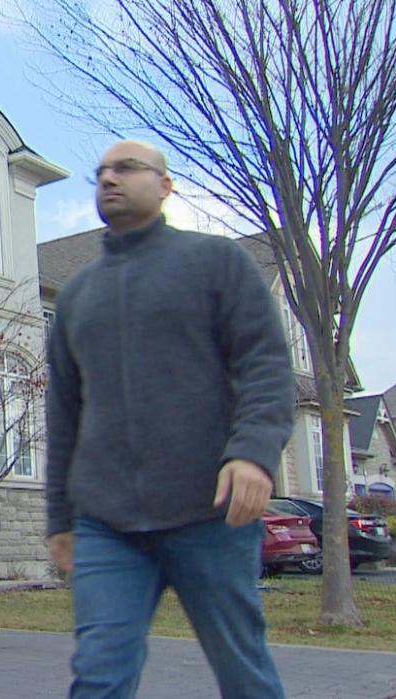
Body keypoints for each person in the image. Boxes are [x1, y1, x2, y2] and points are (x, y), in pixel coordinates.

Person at [44, 140, 295, 698]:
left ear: (164, 185)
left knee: (242, 669)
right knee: (99, 675)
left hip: (209, 513)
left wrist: (254, 452)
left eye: (126, 167)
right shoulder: (77, 296)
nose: (108, 178)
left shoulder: (217, 262)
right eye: (101, 171)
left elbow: (266, 364)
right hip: (106, 525)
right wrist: (59, 518)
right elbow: (63, 412)